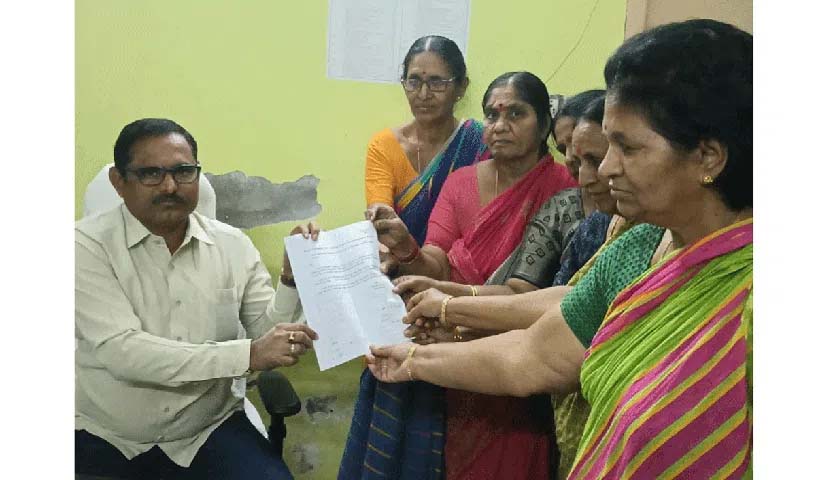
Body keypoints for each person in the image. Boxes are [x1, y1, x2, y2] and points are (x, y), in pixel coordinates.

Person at [367, 19, 753, 479]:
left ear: (708, 157)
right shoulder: (644, 243)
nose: (604, 169)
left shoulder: (754, 295)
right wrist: (412, 359)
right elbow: (535, 355)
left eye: (627, 148)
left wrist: (451, 309)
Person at [75, 118, 320, 479]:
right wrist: (248, 354)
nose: (170, 186)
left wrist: (290, 279)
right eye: (151, 174)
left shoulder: (232, 245)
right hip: (108, 435)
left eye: (183, 172)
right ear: (119, 182)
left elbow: (264, 333)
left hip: (207, 430)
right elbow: (123, 352)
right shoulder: (85, 246)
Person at [363, 72, 577, 480]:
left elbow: (547, 294)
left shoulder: (565, 188)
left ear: (544, 124)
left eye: (516, 113)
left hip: (525, 356)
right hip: (451, 352)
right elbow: (437, 263)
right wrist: (407, 247)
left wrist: (448, 300)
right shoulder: (460, 182)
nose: (499, 125)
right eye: (492, 115)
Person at [365, 35, 489, 247]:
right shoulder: (384, 145)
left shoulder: (480, 142)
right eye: (413, 82)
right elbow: (382, 222)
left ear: (461, 87)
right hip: (398, 261)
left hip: (465, 263)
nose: (423, 94)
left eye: (436, 82)